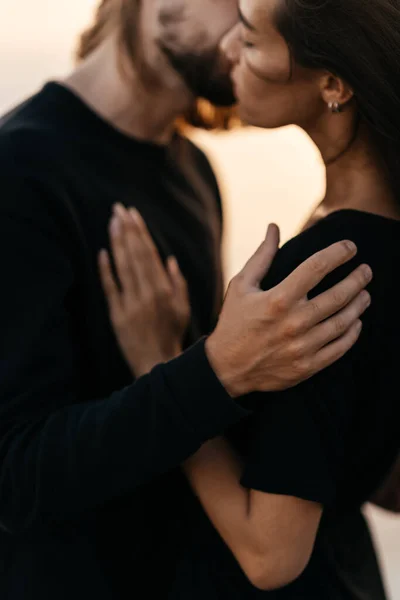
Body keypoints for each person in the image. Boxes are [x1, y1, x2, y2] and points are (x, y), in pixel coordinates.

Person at [100, 0, 400, 599]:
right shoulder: (375, 233)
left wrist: (164, 361)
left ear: (333, 85)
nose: (230, 49)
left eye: (253, 39)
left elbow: (271, 555)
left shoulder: (321, 271)